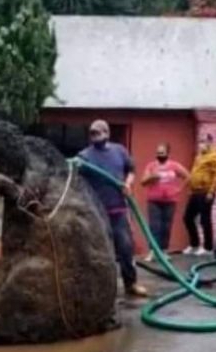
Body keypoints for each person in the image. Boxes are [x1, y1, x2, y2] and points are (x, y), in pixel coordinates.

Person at [78, 119, 148, 297]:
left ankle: (131, 283)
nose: (95, 136)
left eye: (98, 133)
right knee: (99, 251)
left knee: (125, 248)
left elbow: (131, 170)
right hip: (96, 212)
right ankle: (100, 290)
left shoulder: (120, 151)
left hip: (118, 210)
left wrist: (128, 184)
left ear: (107, 133)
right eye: (92, 133)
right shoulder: (84, 156)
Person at [141, 143, 188, 256]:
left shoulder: (174, 166)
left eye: (162, 153)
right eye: (158, 153)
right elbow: (142, 182)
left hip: (170, 200)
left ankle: (164, 251)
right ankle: (152, 251)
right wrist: (152, 177)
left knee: (166, 226)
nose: (160, 155)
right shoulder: (151, 166)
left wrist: (179, 190)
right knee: (154, 226)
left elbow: (187, 176)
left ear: (167, 153)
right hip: (154, 200)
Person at [183, 134, 216, 256]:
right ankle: (194, 244)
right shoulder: (199, 156)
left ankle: (208, 247)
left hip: (206, 191)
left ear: (210, 142)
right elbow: (194, 172)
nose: (201, 144)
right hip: (195, 191)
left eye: (203, 142)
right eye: (200, 142)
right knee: (187, 217)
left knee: (205, 219)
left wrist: (211, 192)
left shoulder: (215, 156)